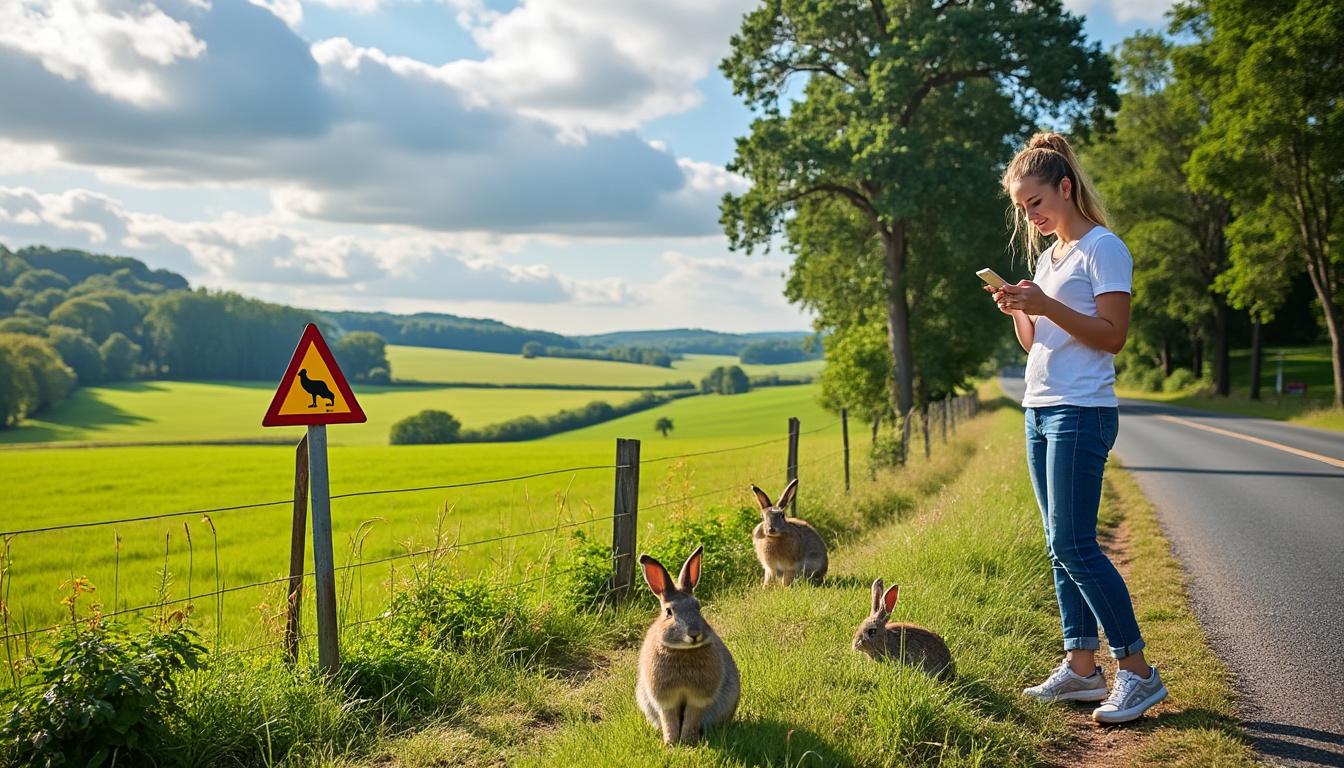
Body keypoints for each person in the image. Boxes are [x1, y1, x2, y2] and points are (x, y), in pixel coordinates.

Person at [990, 131, 1167, 724]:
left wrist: (1044, 304)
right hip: (1040, 407)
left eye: (1036, 202)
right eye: (1022, 209)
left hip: (1081, 410)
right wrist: (1021, 309)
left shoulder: (1103, 249)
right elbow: (1041, 341)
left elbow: (1112, 336)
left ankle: (1138, 673)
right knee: (1057, 545)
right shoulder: (1049, 259)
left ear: (1065, 188)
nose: (1031, 216)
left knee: (1075, 544)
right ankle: (1082, 670)